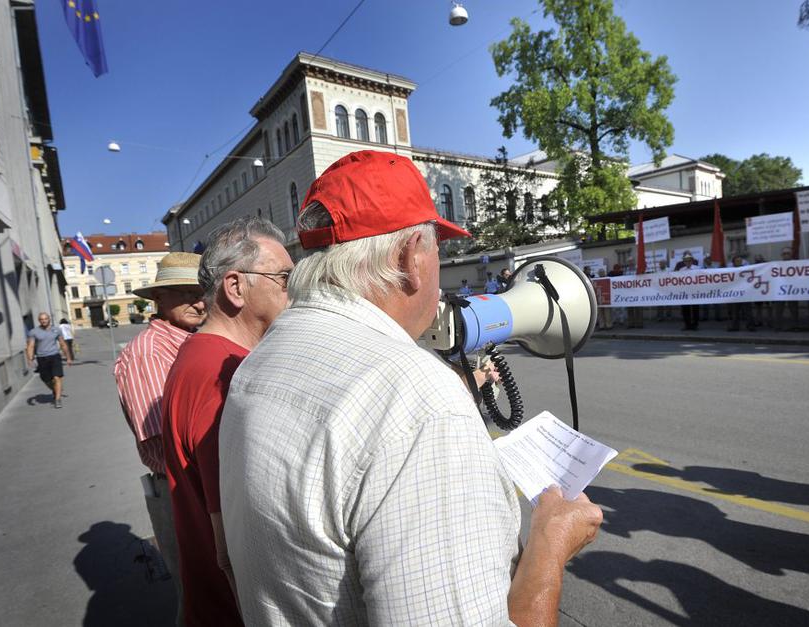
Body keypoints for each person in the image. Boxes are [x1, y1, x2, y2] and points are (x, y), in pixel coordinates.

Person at [220, 151, 603, 626]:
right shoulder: (419, 402)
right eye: (439, 249)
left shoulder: (257, 362)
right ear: (411, 258)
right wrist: (550, 544)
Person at [161, 218, 293, 627]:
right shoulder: (222, 372)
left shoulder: (203, 355)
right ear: (235, 287)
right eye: (284, 278)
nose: (292, 291)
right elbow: (232, 547)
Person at [112, 252, 205, 626]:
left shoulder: (190, 340)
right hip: (184, 490)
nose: (199, 302)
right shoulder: (149, 353)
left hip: (198, 487)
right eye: (185, 293)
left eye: (202, 291)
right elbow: (163, 442)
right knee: (199, 599)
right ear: (158, 298)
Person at [26, 312, 73, 408]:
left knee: (57, 377)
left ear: (49, 319)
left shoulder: (56, 330)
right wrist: (30, 359)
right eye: (41, 319)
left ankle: (58, 399)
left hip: (55, 356)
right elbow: (30, 346)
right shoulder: (34, 332)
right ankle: (56, 389)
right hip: (41, 358)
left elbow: (63, 344)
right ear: (39, 321)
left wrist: (68, 358)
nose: (44, 321)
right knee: (46, 379)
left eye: (45, 319)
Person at [772, 247, 799, 331]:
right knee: (778, 309)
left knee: (794, 309)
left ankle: (795, 326)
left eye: (788, 253)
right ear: (781, 255)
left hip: (793, 290)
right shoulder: (776, 265)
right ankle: (778, 326)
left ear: (791, 254)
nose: (786, 255)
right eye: (784, 253)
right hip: (780, 290)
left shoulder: (797, 264)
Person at [727, 255, 755, 332]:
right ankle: (735, 326)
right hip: (735, 294)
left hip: (745, 293)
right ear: (733, 262)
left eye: (740, 261)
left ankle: (750, 326)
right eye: (737, 261)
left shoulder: (746, 269)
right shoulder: (729, 270)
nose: (739, 262)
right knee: (735, 312)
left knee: (748, 311)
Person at [674, 251, 699, 330]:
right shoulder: (681, 270)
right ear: (684, 262)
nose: (688, 262)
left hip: (695, 292)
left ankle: (695, 325)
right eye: (686, 261)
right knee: (685, 309)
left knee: (695, 309)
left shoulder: (698, 268)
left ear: (692, 261)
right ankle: (687, 325)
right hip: (685, 293)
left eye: (689, 260)